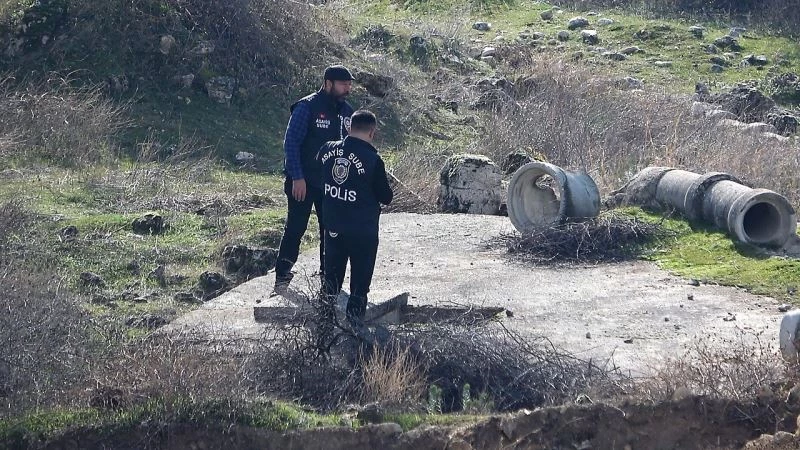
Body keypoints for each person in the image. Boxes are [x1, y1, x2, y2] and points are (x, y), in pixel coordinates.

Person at [274, 64, 355, 292]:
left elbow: (351, 147)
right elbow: (291, 143)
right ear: (328, 83)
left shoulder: (347, 111)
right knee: (295, 228)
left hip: (331, 185)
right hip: (303, 180)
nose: (347, 89)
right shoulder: (306, 107)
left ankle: (327, 278)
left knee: (330, 230)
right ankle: (282, 274)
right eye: (343, 84)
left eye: (349, 85)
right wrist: (297, 177)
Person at [317, 109, 393, 322]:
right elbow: (386, 197)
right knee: (359, 288)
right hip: (362, 232)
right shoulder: (373, 160)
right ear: (372, 133)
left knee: (330, 285)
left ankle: (322, 331)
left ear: (349, 127)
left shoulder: (327, 150)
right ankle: (354, 333)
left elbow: (317, 175)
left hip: (333, 228)